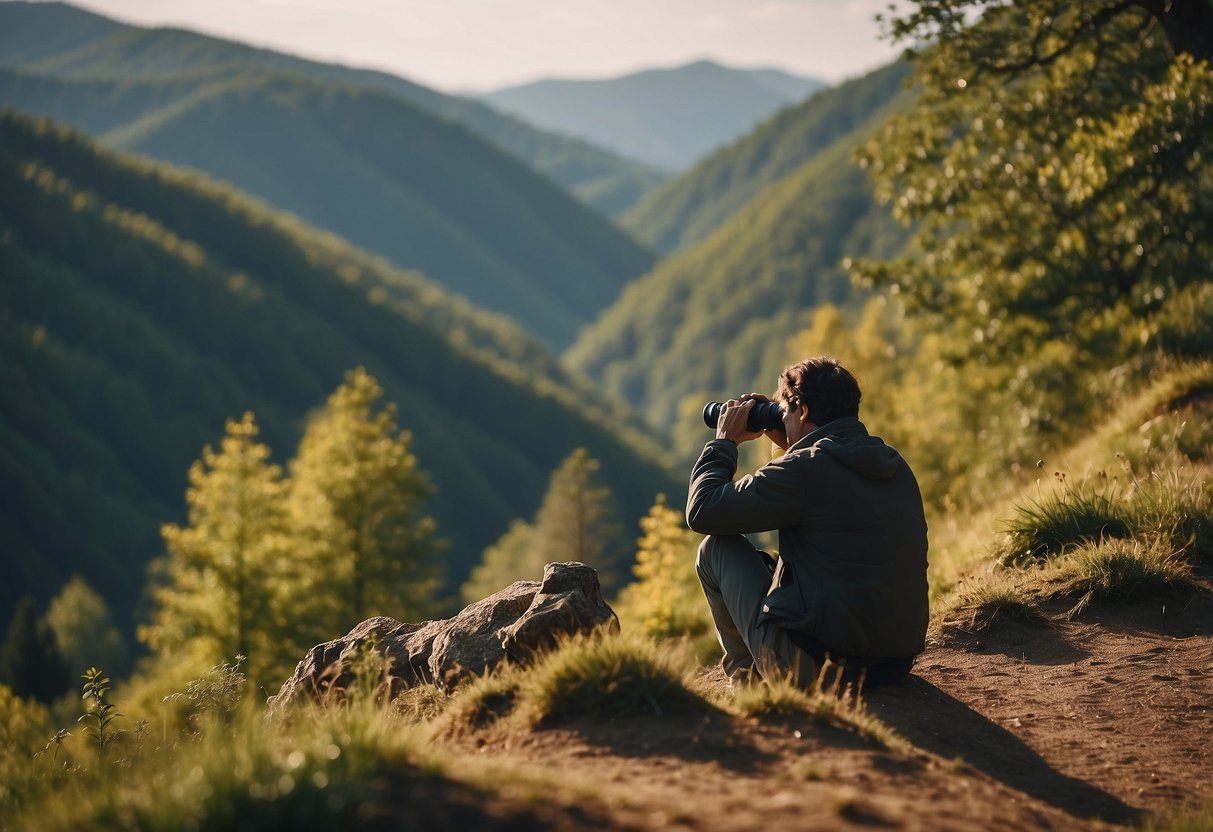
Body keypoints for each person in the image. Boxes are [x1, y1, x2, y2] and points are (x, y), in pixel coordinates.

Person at [686, 356, 928, 688]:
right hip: (894, 666)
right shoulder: (893, 463)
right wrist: (790, 441)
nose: (780, 418)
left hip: (824, 670)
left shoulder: (805, 470)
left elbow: (703, 509)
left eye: (783, 412)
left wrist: (724, 442)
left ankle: (751, 685)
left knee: (715, 548)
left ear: (802, 412)